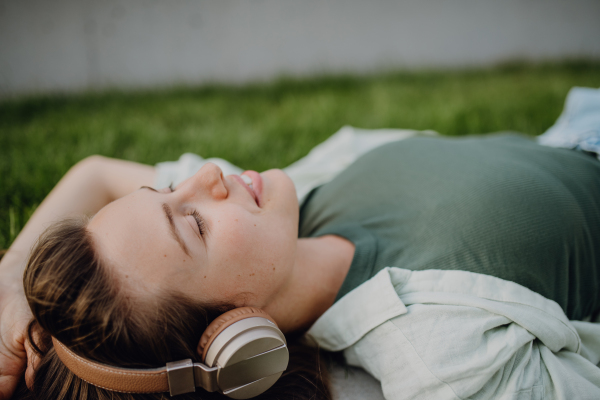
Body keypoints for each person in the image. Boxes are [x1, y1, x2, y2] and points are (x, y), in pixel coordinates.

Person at [1, 87, 600, 400]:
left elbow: (96, 172)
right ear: (232, 336)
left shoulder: (289, 215)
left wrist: (10, 280)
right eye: (195, 224)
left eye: (164, 189)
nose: (205, 177)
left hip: (575, 125)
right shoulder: (444, 354)